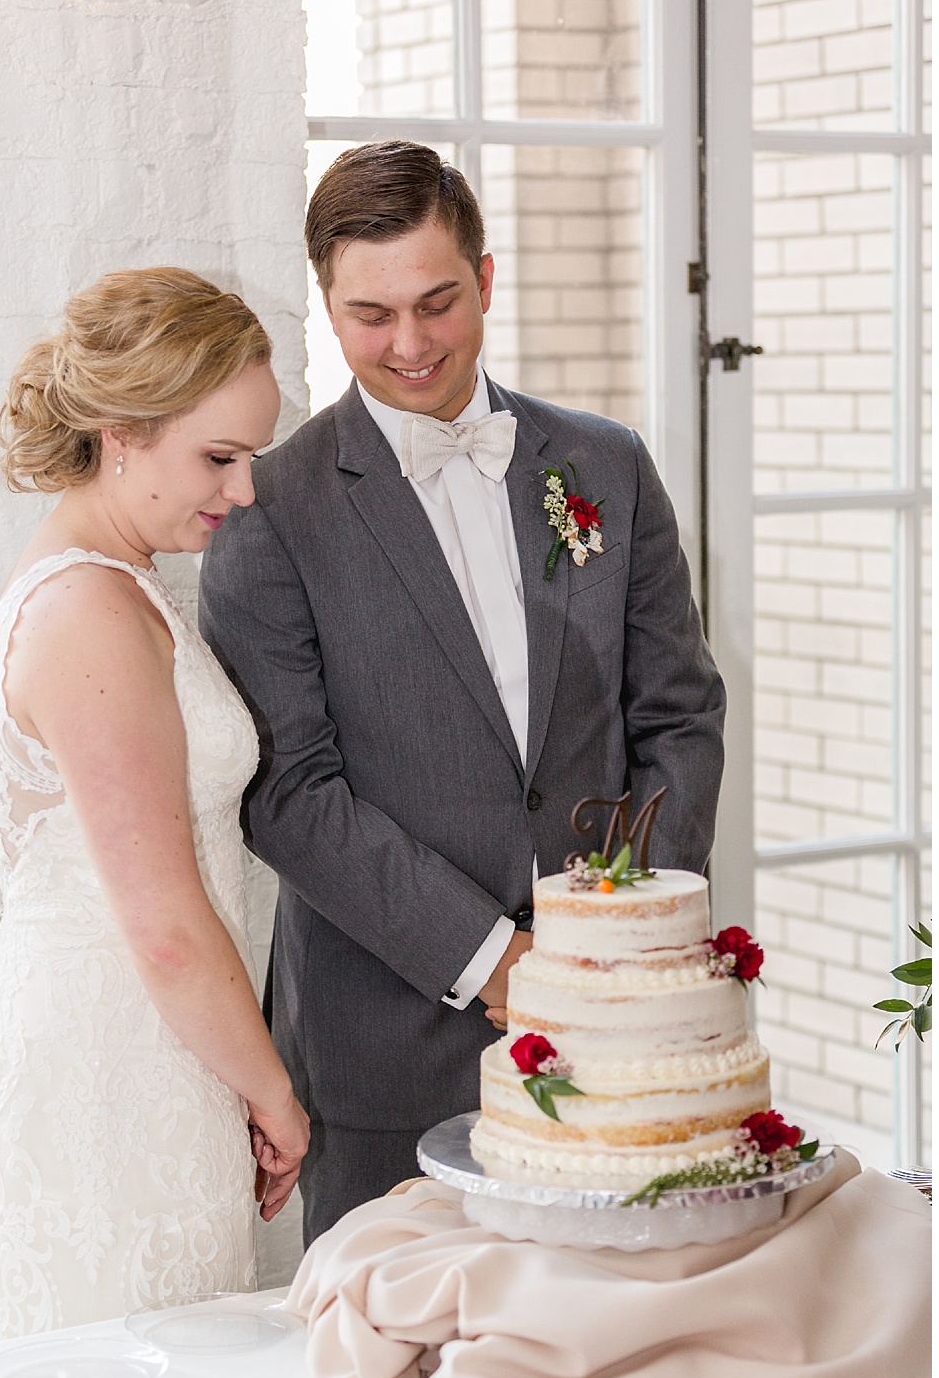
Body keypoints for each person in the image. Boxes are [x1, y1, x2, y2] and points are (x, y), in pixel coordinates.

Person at [199, 142, 725, 1247]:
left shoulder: (608, 466)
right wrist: (495, 962)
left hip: (609, 1026)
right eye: (370, 314)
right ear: (329, 307)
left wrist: (614, 941)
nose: (409, 344)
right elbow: (290, 792)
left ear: (487, 279)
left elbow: (676, 713)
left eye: (437, 303)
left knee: (602, 1346)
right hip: (381, 1047)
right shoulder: (267, 507)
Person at [0, 268, 309, 1357]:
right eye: (219, 458)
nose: (246, 490)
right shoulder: (88, 609)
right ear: (122, 434)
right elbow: (165, 920)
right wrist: (276, 1092)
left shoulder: (120, 588)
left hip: (155, 1052)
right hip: (107, 1061)